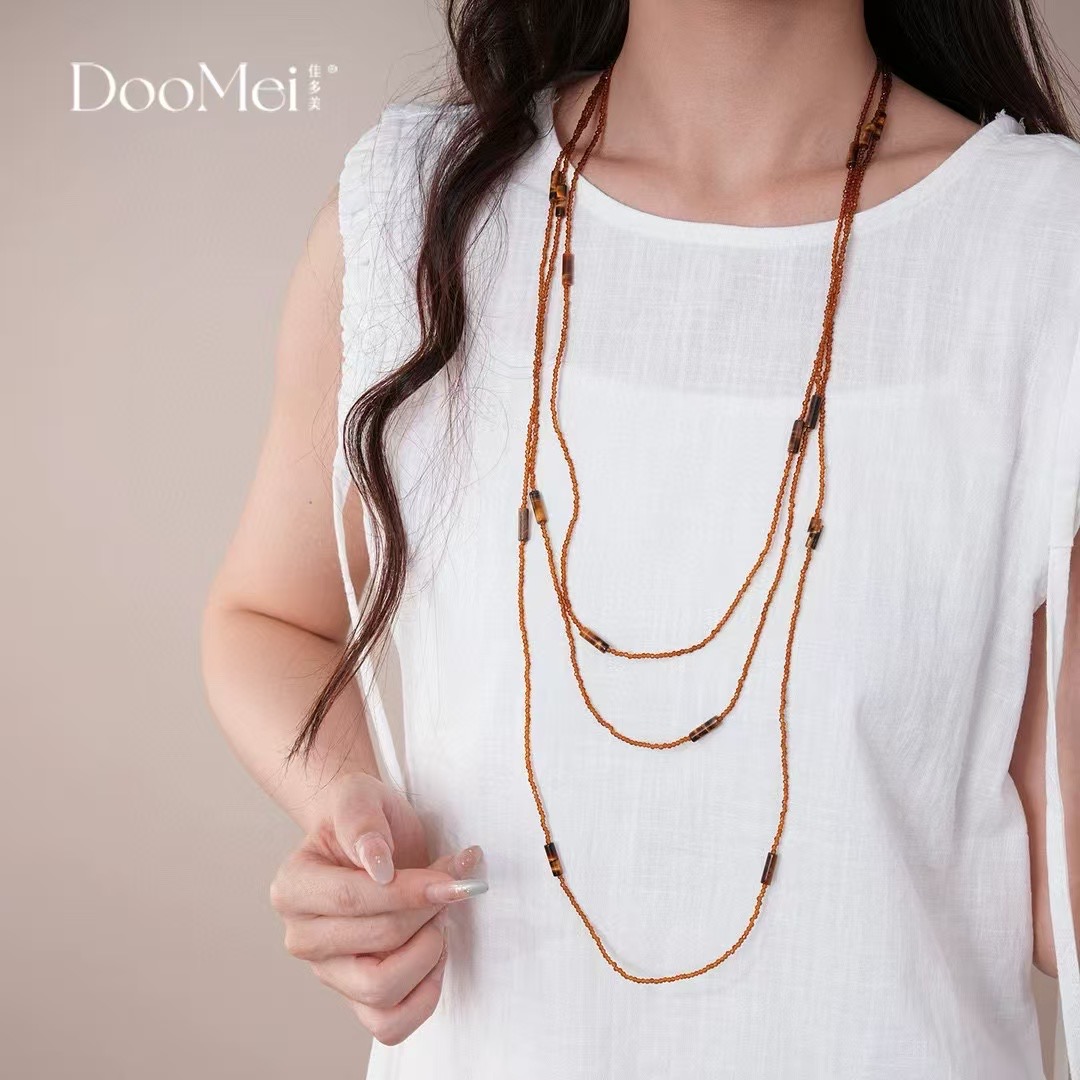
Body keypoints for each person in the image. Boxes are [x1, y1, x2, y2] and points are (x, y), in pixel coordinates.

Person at [200, 1, 1080, 1076]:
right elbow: (267, 615)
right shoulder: (413, 211)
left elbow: (1059, 889)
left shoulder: (1048, 248)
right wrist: (352, 814)